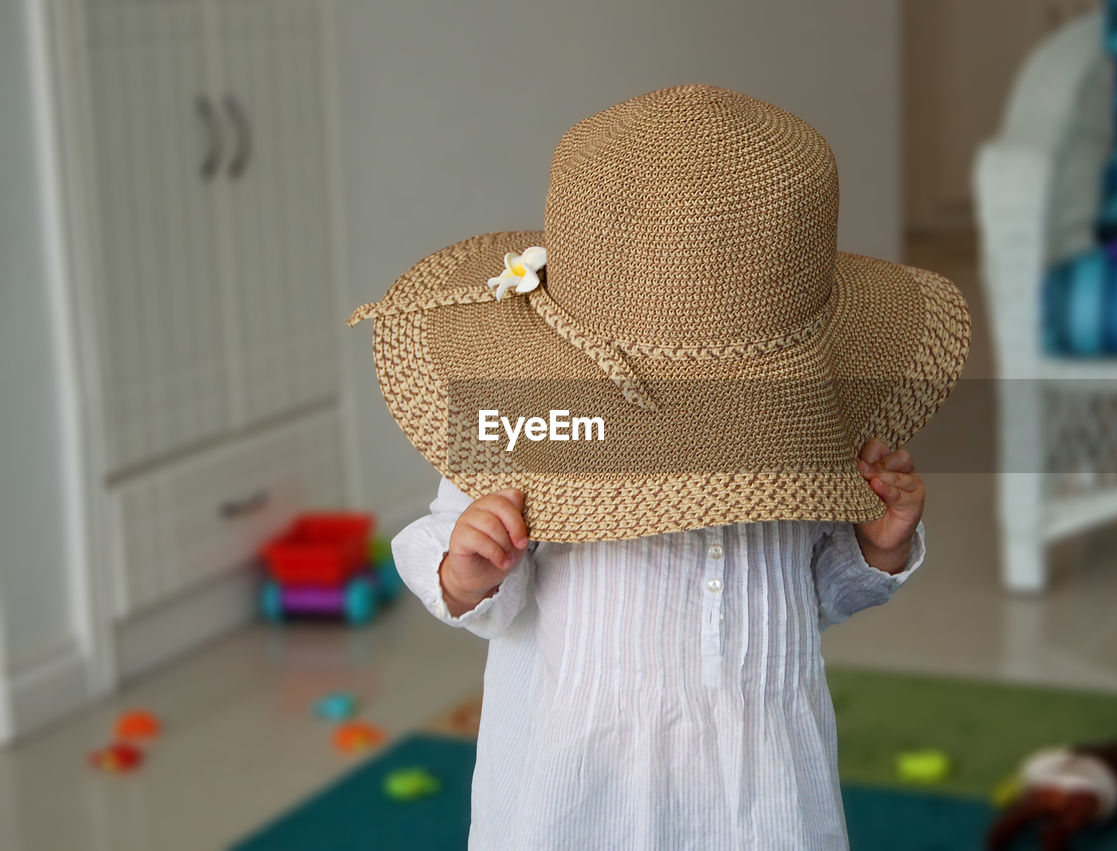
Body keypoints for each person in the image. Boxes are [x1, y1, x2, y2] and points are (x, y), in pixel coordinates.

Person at [348, 84, 970, 848]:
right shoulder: (539, 414)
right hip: (580, 773)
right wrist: (468, 566)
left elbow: (814, 599)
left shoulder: (810, 419)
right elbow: (459, 559)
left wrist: (878, 546)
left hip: (761, 776)